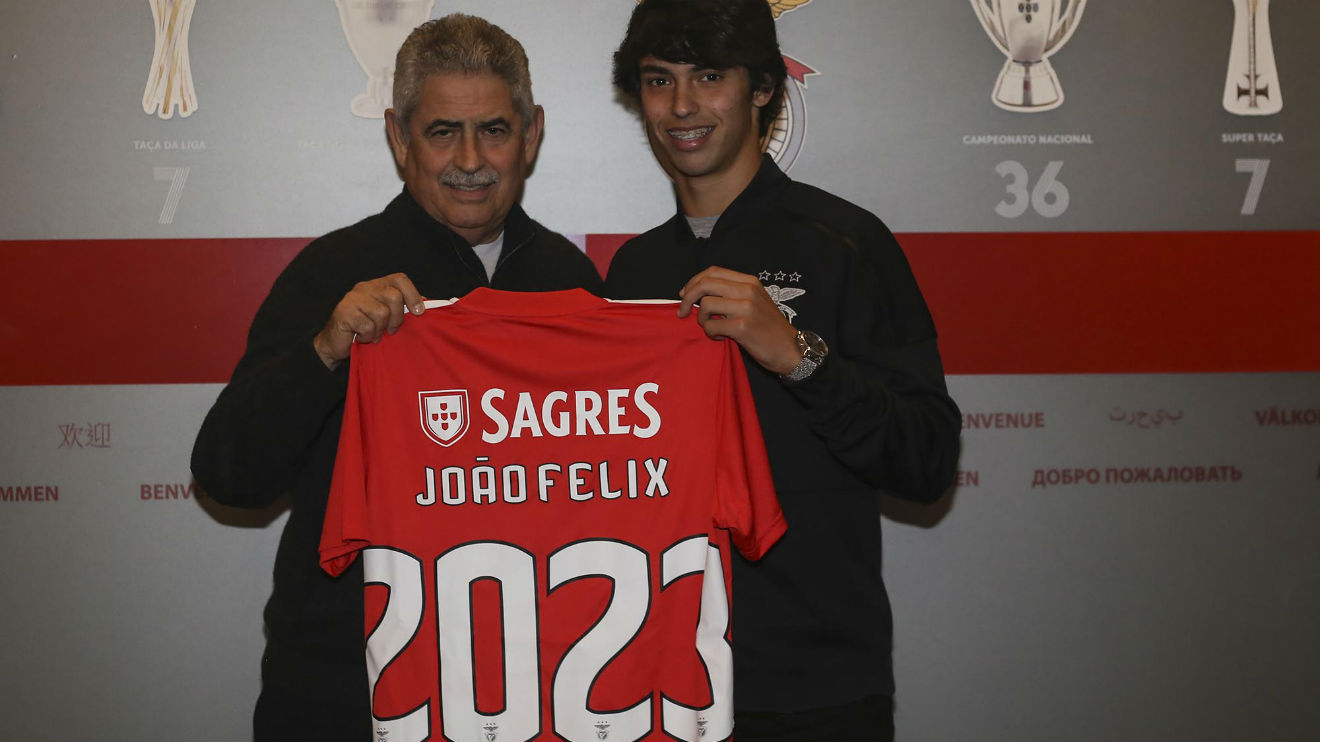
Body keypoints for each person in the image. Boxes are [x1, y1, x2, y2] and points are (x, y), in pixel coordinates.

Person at [191, 14, 602, 740]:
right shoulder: (332, 274)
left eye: (495, 131)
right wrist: (323, 351)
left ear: (532, 134)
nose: (470, 158)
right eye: (443, 131)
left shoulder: (572, 285)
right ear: (398, 136)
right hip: (342, 693)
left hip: (532, 690)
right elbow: (228, 472)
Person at [606, 1, 962, 738]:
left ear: (763, 87)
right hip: (655, 679)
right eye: (658, 79)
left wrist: (800, 357)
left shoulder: (848, 243)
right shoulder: (634, 269)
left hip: (814, 686)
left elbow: (928, 460)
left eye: (709, 76)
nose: (681, 106)